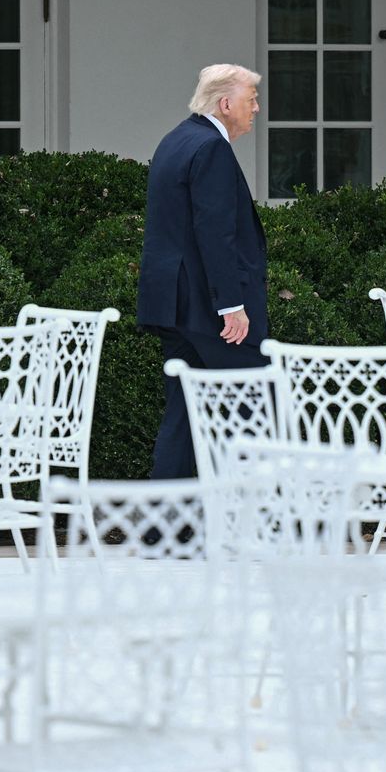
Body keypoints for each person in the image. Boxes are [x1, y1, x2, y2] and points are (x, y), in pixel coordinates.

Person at [137, 63, 267, 480]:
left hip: (174, 306)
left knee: (184, 415)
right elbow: (214, 233)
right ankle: (255, 523)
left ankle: (166, 529)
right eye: (251, 100)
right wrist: (231, 304)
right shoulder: (210, 148)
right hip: (209, 310)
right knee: (251, 408)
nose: (257, 109)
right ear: (225, 103)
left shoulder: (177, 139)